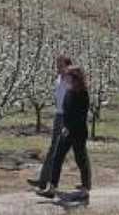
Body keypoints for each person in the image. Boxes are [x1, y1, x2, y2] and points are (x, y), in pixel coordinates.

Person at [36, 65, 92, 202]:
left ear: (75, 78)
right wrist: (65, 127)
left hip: (77, 132)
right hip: (66, 130)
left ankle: (85, 189)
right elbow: (66, 111)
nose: (65, 78)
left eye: (68, 76)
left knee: (81, 159)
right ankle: (52, 188)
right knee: (57, 158)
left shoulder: (83, 94)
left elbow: (80, 116)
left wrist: (69, 128)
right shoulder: (69, 91)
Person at [27, 55, 72, 190]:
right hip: (59, 115)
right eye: (57, 65)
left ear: (68, 65)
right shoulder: (59, 79)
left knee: (70, 149)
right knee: (54, 149)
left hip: (68, 116)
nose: (57, 67)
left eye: (60, 65)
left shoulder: (71, 79)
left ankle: (84, 184)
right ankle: (43, 180)